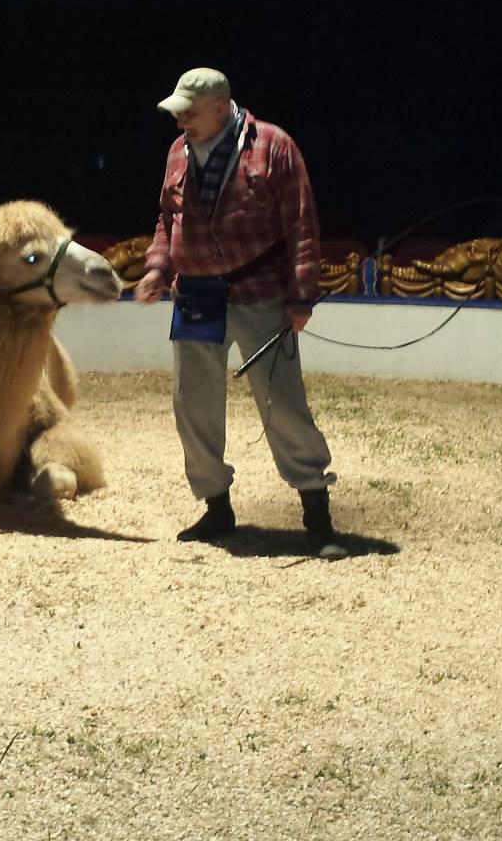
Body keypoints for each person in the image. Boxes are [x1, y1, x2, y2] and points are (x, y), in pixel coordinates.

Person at [133, 68, 346, 559]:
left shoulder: (273, 146)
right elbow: (168, 218)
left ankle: (316, 514)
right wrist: (158, 267)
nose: (181, 121)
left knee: (282, 403)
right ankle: (217, 507)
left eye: (189, 112)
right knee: (193, 405)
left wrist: (301, 295)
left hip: (259, 293)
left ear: (220, 106)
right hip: (195, 296)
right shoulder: (178, 151)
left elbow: (302, 222)